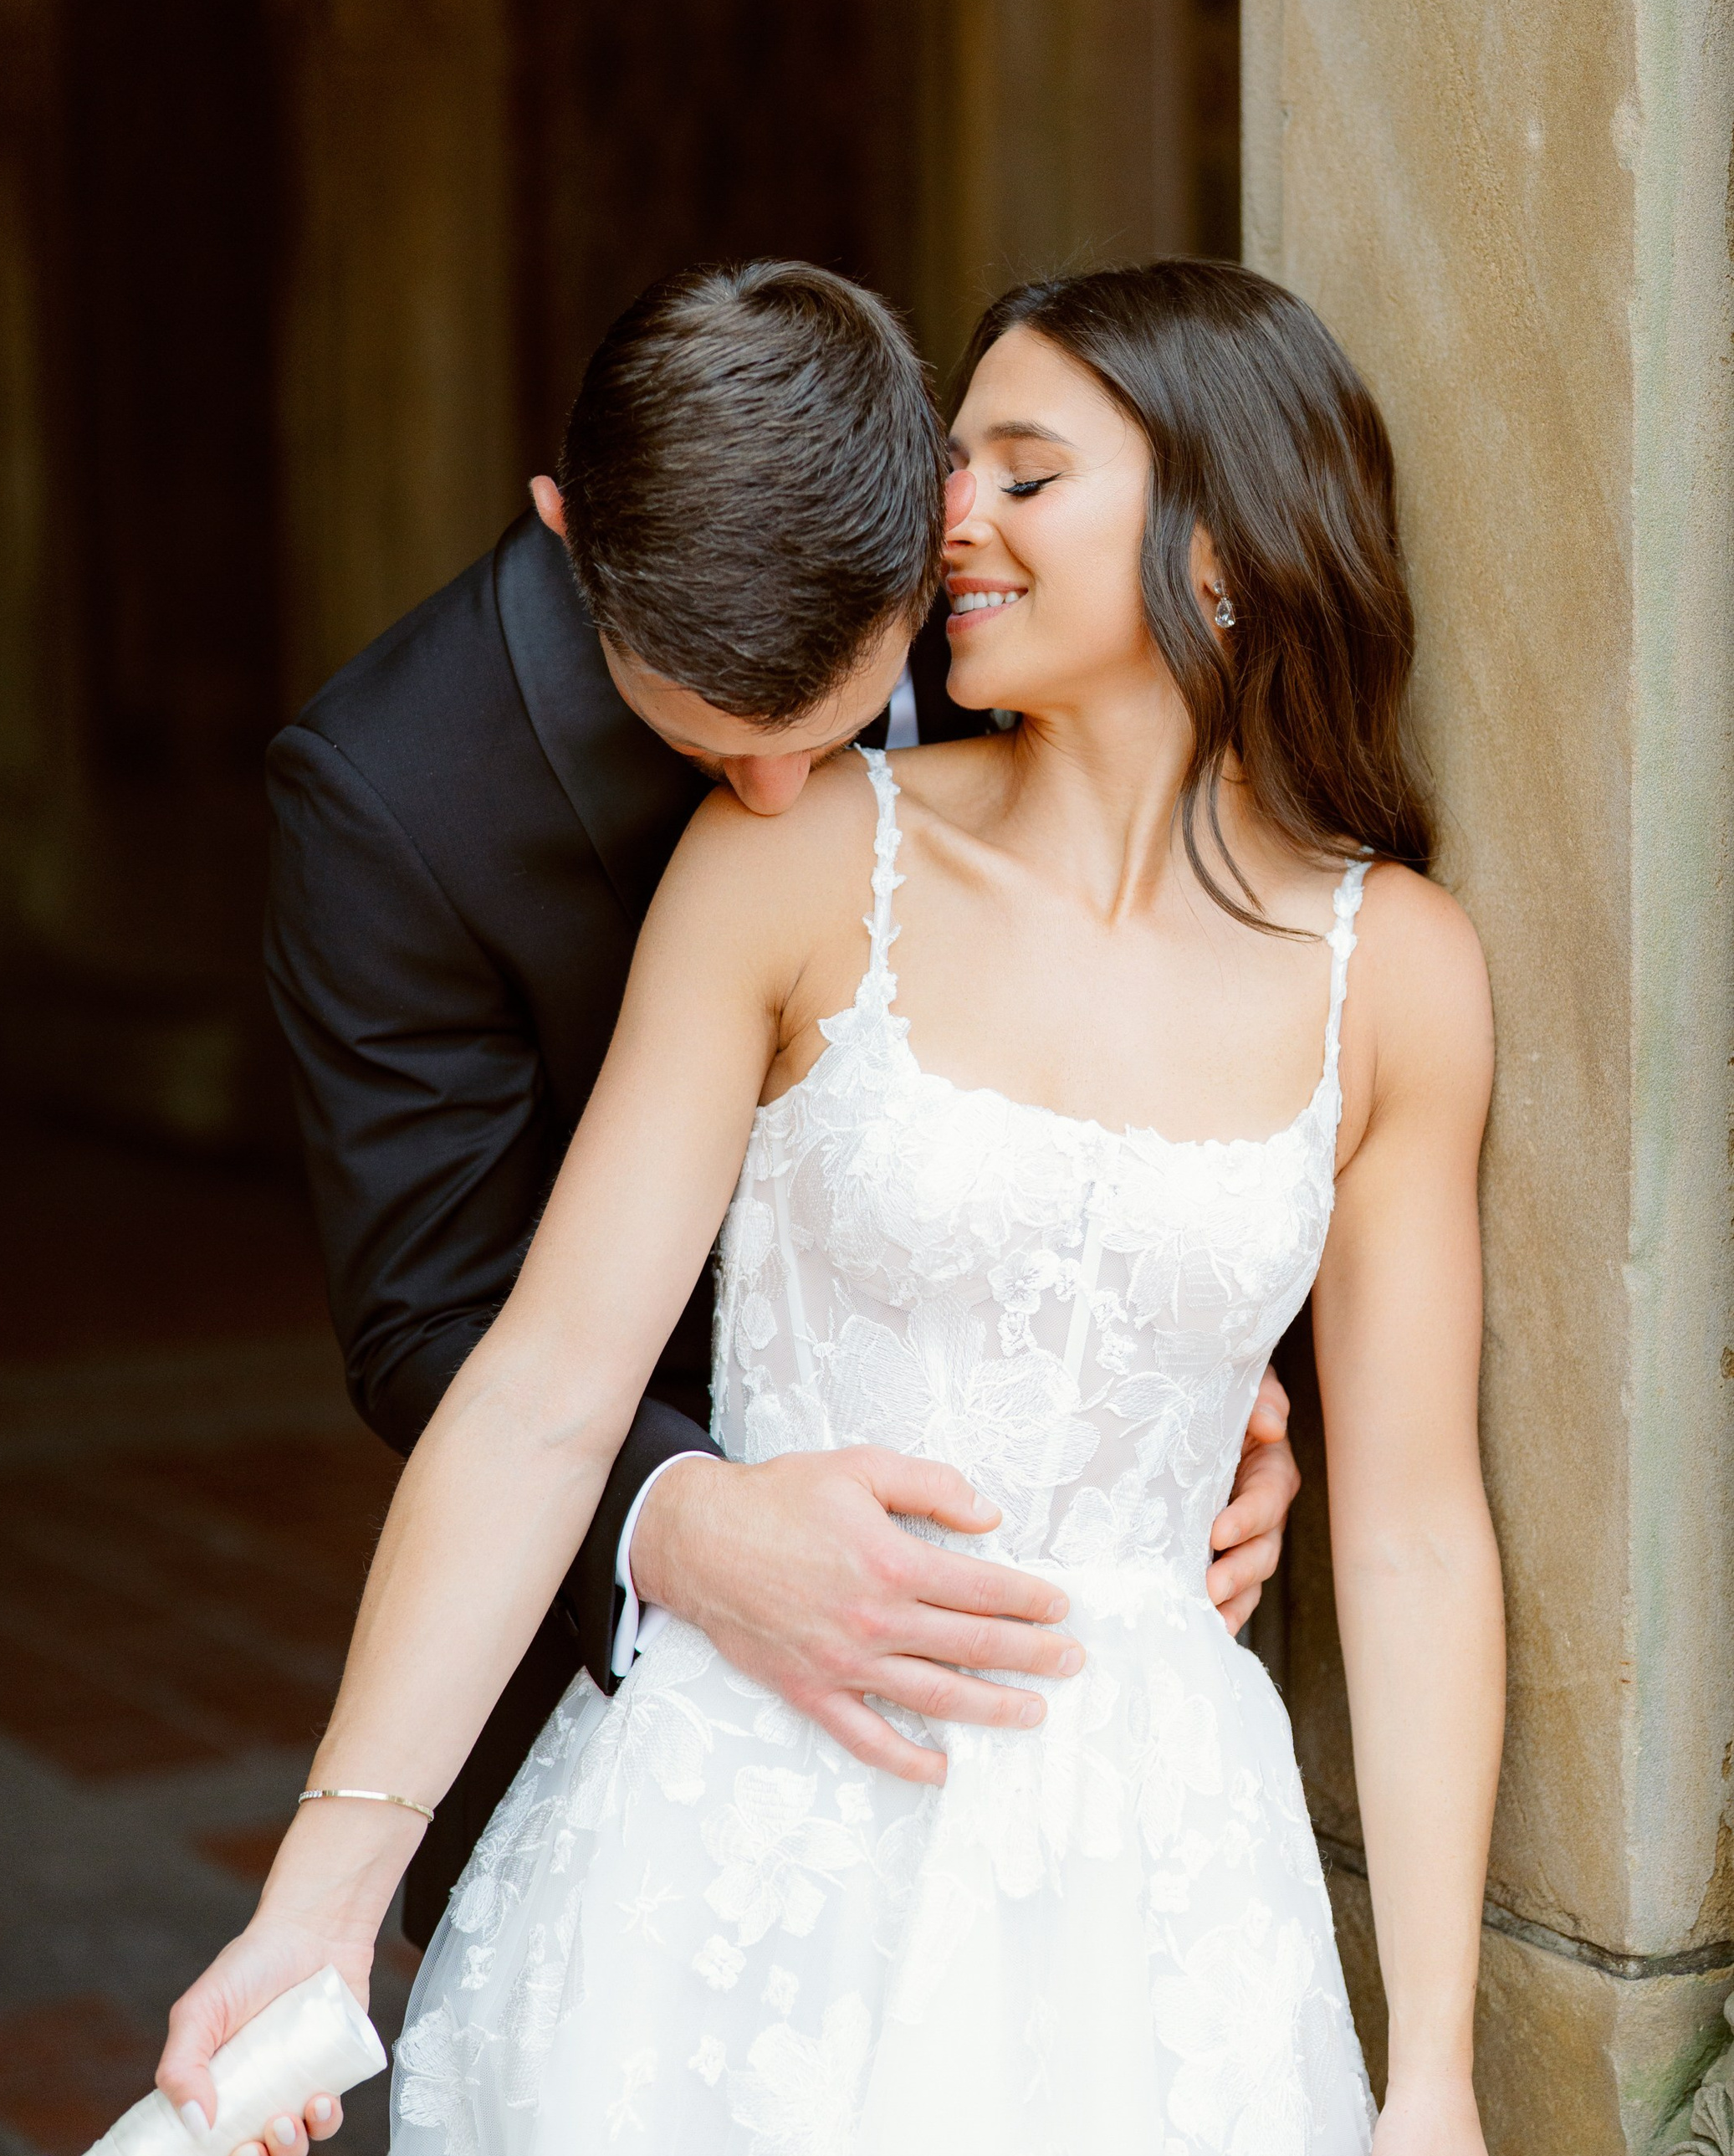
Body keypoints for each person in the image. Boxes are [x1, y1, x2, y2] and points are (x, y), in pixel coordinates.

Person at [139, 259, 1509, 2156]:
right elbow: (530, 1384)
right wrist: (318, 1904)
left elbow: (1413, 1530)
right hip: (737, 1838)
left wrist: (1439, 2068)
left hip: (1150, 1903)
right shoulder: (776, 862)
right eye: (955, 464)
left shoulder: (1405, 973)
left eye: (1017, 468)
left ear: (1219, 547)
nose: (952, 517)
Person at [262, 259, 1297, 1944]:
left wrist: (1209, 1367)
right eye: (705, 745)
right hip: (661, 1684)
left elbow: (1221, 1016)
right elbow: (431, 1317)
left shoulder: (1020, 592)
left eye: (823, 732)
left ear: (935, 517)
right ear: (558, 525)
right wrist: (691, 1522)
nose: (774, 802)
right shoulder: (388, 796)